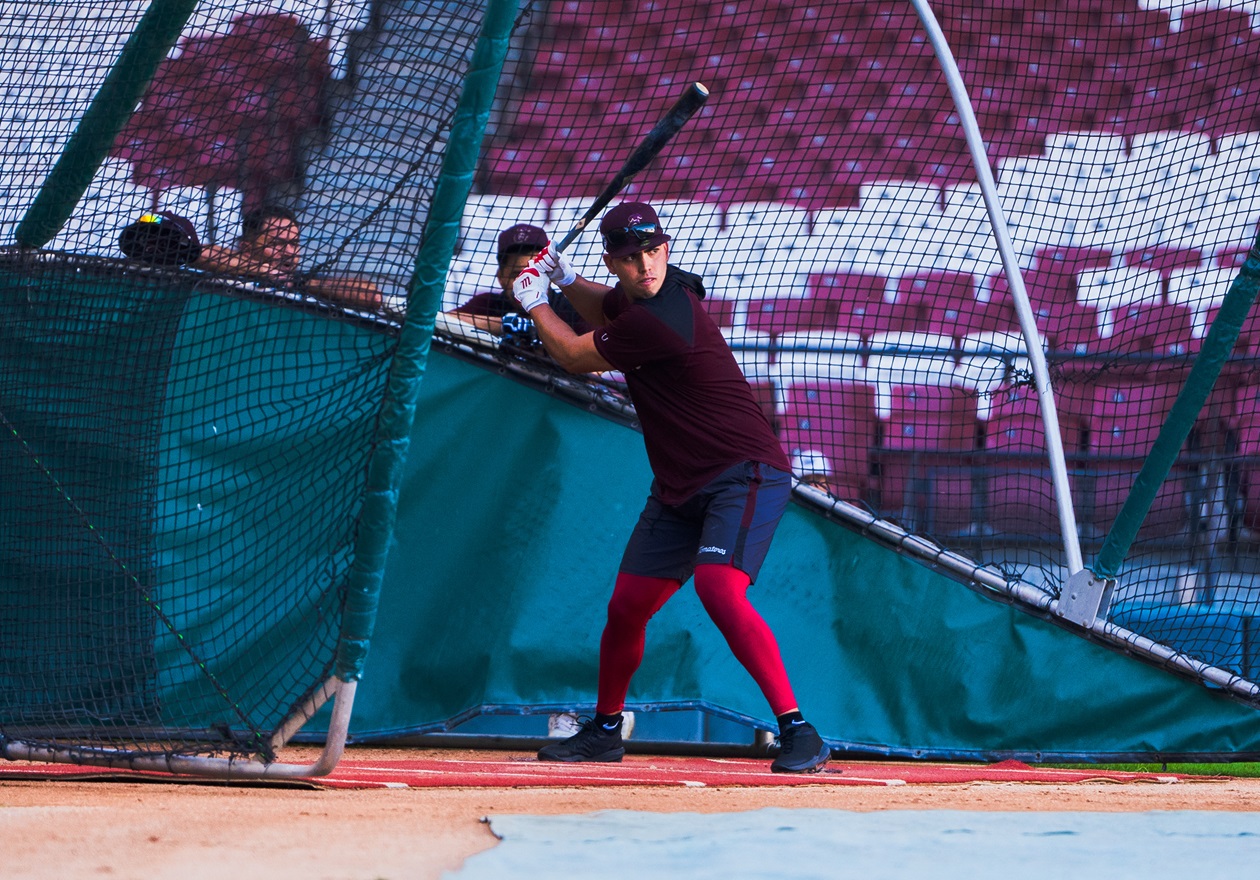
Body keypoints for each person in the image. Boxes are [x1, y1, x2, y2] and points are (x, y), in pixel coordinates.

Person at [510, 201, 831, 773]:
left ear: (665, 249)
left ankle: (799, 730)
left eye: (652, 252)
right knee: (627, 607)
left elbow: (572, 354)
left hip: (743, 472)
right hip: (679, 487)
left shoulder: (660, 316)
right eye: (629, 258)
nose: (644, 266)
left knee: (718, 588)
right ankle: (606, 731)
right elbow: (600, 305)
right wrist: (562, 279)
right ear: (615, 263)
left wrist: (534, 299)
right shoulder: (635, 302)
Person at [193, 204, 382, 310]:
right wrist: (264, 271)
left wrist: (300, 283)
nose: (290, 252)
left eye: (294, 244)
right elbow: (196, 252)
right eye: (277, 244)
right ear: (246, 248)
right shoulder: (227, 273)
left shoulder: (304, 283)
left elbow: (372, 296)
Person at [449, 223, 589, 335]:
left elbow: (598, 366)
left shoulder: (572, 310)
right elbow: (441, 321)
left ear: (550, 275)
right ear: (501, 278)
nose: (526, 283)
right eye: (516, 274)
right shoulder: (489, 304)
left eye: (535, 273)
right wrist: (505, 325)